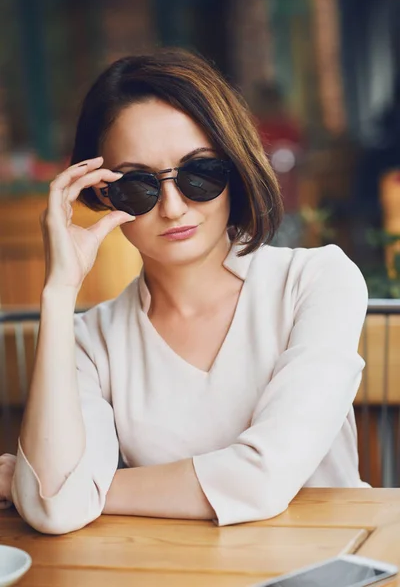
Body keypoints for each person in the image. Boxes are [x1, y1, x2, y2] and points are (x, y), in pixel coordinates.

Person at [0, 49, 369, 534]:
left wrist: (91, 489)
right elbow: (55, 510)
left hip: (329, 565)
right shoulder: (90, 340)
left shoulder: (317, 281)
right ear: (101, 192)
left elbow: (264, 478)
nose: (173, 207)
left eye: (201, 172)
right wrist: (59, 290)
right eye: (138, 184)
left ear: (235, 169)